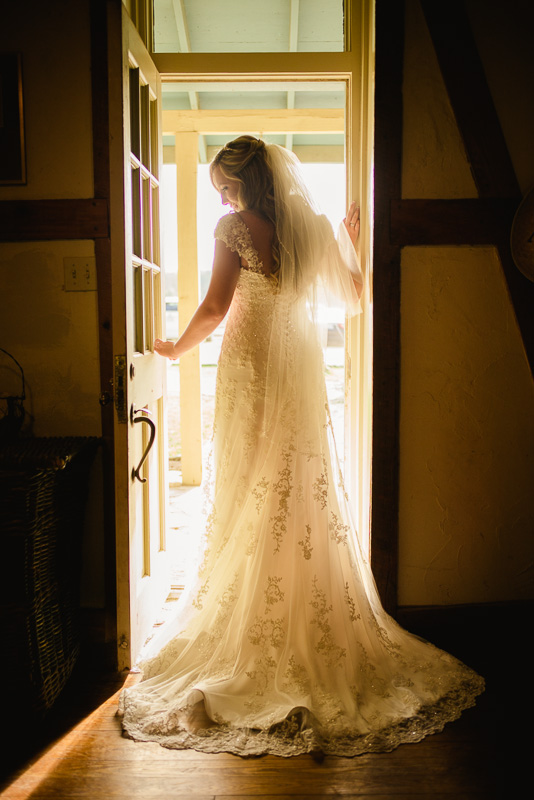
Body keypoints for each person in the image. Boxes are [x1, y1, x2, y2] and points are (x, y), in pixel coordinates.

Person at [119, 136, 484, 757]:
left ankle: (256, 626)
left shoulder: (235, 226)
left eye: (223, 184)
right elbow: (357, 297)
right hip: (293, 371)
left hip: (251, 369)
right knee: (292, 480)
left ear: (242, 182)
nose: (219, 194)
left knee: (249, 484)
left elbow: (213, 306)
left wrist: (175, 351)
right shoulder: (307, 225)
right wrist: (350, 242)